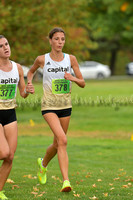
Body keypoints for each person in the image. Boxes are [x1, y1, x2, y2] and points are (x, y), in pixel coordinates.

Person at [27, 27, 85, 192]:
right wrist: (29, 83)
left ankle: (43, 164)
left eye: (62, 39)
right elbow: (30, 72)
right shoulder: (42, 59)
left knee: (57, 143)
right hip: (49, 106)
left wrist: (72, 78)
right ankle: (66, 181)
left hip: (65, 107)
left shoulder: (71, 59)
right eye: (57, 39)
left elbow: (82, 82)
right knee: (63, 140)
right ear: (50, 40)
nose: (60, 42)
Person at [0, 35, 34, 200]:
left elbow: (22, 93)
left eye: (6, 44)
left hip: (10, 113)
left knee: (10, 156)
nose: (6, 47)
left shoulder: (18, 68)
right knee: (3, 151)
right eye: (1, 46)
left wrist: (28, 89)